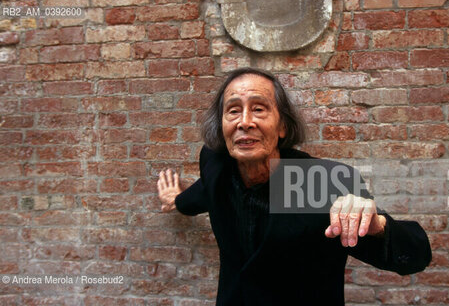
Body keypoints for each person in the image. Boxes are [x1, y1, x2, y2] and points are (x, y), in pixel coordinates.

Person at [157, 67, 432, 306]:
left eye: (259, 108)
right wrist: (177, 200)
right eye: (233, 111)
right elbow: (206, 192)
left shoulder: (321, 183)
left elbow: (416, 256)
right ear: (222, 126)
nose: (244, 122)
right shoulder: (216, 164)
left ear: (282, 127)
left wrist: (378, 225)